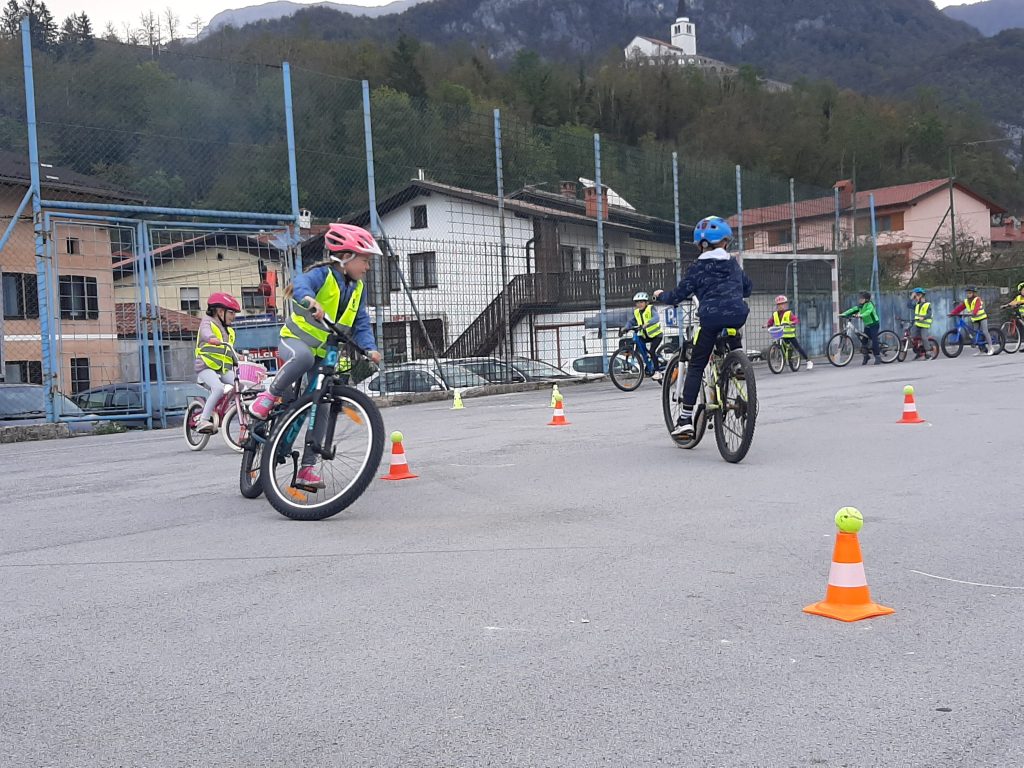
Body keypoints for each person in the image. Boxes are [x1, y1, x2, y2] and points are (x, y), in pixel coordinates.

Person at [249, 223, 383, 489]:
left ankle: (307, 469)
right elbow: (300, 284)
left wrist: (370, 348)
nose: (367, 267)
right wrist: (311, 300)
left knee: (321, 403)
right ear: (345, 257)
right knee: (304, 359)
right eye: (364, 260)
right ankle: (268, 396)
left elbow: (361, 322)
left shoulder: (357, 289)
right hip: (295, 342)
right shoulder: (323, 275)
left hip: (325, 353)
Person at [654, 215, 752, 438]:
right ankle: (737, 363)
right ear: (726, 242)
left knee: (697, 364)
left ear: (700, 244)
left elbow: (679, 294)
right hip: (737, 315)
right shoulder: (732, 264)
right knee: (732, 328)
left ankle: (686, 419)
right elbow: (748, 288)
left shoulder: (698, 267)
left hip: (710, 317)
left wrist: (662, 295)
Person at [194, 292, 241, 434]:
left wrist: (239, 357)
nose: (234, 317)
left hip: (222, 368)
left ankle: (235, 409)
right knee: (219, 388)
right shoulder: (207, 322)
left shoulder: (229, 331)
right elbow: (206, 332)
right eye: (231, 313)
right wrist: (211, 338)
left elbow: (228, 350)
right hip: (206, 366)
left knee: (241, 384)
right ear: (220, 311)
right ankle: (203, 420)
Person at [623, 291, 664, 381]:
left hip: (656, 335)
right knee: (638, 343)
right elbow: (632, 321)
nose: (639, 304)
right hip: (646, 336)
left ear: (646, 303)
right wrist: (626, 327)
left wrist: (647, 323)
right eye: (637, 302)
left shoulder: (650, 308)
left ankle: (658, 372)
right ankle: (647, 361)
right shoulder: (636, 312)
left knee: (652, 351)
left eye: (641, 302)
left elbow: (656, 318)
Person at [765, 294, 811, 370]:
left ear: (786, 305)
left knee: (797, 347)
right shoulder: (775, 314)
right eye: (779, 305)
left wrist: (792, 322)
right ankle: (780, 361)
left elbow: (795, 319)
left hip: (789, 335)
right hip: (780, 334)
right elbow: (770, 321)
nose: (780, 306)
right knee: (778, 346)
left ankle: (808, 361)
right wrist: (767, 325)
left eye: (782, 304)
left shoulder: (789, 313)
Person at [950, 285, 994, 356]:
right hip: (974, 319)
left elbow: (976, 308)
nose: (968, 294)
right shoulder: (966, 301)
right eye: (967, 293)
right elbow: (960, 308)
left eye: (970, 293)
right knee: (976, 334)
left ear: (974, 293)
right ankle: (982, 350)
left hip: (982, 317)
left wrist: (973, 312)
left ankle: (991, 347)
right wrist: (952, 313)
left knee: (985, 331)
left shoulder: (977, 299)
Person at [841, 292, 881, 365]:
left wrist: (861, 315)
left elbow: (868, 312)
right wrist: (843, 314)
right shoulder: (860, 306)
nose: (860, 300)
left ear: (867, 299)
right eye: (860, 298)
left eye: (862, 298)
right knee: (864, 342)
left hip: (874, 325)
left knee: (874, 341)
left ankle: (878, 357)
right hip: (867, 326)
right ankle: (866, 356)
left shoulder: (870, 305)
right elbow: (852, 310)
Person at [908, 287, 932, 360]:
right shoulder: (917, 304)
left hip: (924, 324)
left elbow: (929, 314)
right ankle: (919, 352)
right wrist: (911, 298)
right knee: (912, 337)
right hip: (917, 324)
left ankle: (928, 353)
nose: (916, 297)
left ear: (921, 295)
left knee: (924, 337)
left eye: (917, 295)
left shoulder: (927, 304)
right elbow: (908, 305)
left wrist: (923, 317)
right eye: (915, 296)